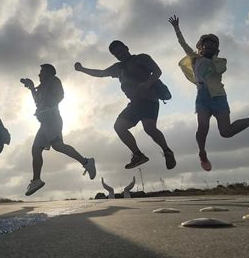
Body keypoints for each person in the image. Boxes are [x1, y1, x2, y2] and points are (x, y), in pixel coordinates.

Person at [168, 15, 249, 171]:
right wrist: (176, 28)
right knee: (202, 127)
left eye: (212, 44)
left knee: (226, 132)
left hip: (218, 97)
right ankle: (202, 153)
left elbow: (219, 70)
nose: (208, 45)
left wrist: (214, 57)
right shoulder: (195, 58)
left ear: (216, 48)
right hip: (202, 97)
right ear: (200, 47)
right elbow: (182, 43)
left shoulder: (221, 61)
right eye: (206, 43)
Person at [75, 40, 176, 170]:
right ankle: (138, 155)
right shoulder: (118, 68)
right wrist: (82, 69)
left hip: (149, 99)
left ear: (126, 48)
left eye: (120, 50)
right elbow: (100, 73)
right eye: (116, 53)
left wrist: (147, 83)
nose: (119, 54)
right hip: (134, 103)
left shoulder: (141, 58)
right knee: (119, 126)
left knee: (149, 128)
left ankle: (167, 152)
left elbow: (157, 71)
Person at [21, 64, 96, 196]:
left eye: (41, 72)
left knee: (57, 145)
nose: (39, 75)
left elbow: (60, 95)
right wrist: (32, 88)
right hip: (44, 122)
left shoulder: (54, 80)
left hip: (52, 119)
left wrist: (50, 107)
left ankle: (86, 162)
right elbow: (37, 102)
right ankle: (36, 180)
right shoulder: (43, 87)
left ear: (49, 73)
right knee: (36, 149)